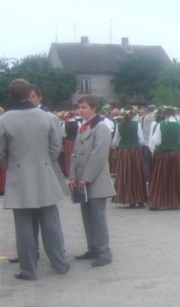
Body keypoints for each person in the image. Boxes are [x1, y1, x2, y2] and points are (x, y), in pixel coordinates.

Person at [0, 79, 70, 280]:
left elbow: (1, 153)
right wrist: (44, 163)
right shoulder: (47, 117)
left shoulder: (4, 120)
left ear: (10, 95)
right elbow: (56, 146)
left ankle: (29, 270)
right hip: (44, 175)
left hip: (19, 177)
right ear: (30, 93)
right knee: (51, 224)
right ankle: (60, 264)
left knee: (23, 228)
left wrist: (12, 168)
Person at [68, 95, 116, 267]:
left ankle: (104, 251)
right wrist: (73, 176)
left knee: (97, 217)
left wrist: (86, 178)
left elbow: (99, 155)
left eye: (83, 107)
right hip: (82, 181)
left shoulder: (101, 127)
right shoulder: (83, 127)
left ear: (94, 108)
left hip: (95, 180)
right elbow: (74, 154)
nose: (80, 110)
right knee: (87, 216)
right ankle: (93, 247)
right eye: (78, 107)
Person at [149, 107, 180, 210]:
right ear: (175, 114)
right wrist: (176, 144)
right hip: (177, 154)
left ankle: (158, 202)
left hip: (164, 154)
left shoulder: (161, 125)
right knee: (178, 177)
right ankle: (176, 201)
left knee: (161, 177)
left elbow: (157, 141)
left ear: (166, 114)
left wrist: (166, 143)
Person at [111, 106, 147, 208]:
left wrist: (121, 145)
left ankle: (129, 198)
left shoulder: (119, 125)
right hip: (135, 150)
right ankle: (140, 199)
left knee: (125, 174)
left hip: (124, 151)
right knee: (137, 174)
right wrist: (135, 144)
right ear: (132, 115)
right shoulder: (137, 124)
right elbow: (141, 140)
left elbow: (115, 140)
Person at [138, 105, 155, 179]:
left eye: (142, 112)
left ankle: (147, 176)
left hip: (146, 142)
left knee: (146, 160)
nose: (141, 113)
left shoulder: (142, 118)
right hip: (147, 142)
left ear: (147, 111)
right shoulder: (153, 117)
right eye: (140, 112)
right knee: (147, 160)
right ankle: (148, 176)